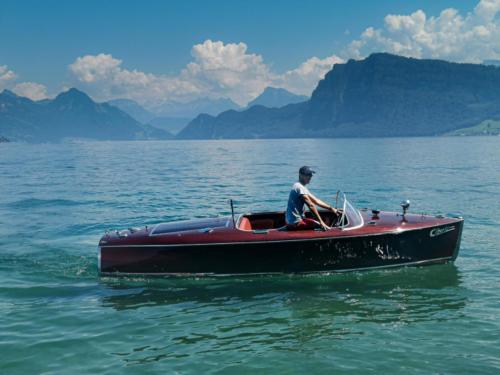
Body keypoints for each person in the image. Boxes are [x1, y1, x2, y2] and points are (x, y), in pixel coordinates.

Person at [286, 166, 339, 231]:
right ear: (300, 175)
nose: (310, 177)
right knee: (324, 227)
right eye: (308, 175)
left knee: (320, 222)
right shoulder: (299, 188)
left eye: (311, 175)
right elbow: (311, 205)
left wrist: (331, 208)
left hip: (292, 221)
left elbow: (316, 201)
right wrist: (321, 222)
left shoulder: (300, 186)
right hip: (295, 223)